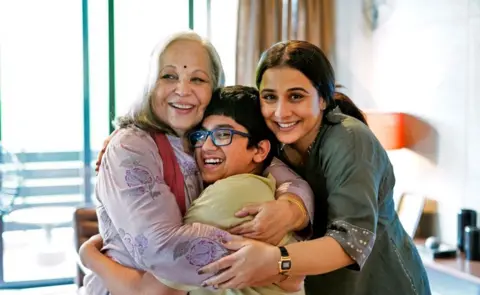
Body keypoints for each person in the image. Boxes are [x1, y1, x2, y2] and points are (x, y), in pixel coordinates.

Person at [80, 32, 315, 295]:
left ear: (213, 90)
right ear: (150, 83)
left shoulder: (199, 140)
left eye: (197, 79)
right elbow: (162, 250)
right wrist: (281, 264)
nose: (182, 90)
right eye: (168, 76)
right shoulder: (132, 146)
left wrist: (292, 209)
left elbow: (284, 175)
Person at [196, 40, 432, 295]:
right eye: (269, 97)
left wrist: (276, 259)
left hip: (382, 284)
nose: (280, 112)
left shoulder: (349, 141)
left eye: (296, 96)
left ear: (322, 99)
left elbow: (352, 241)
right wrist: (291, 205)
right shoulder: (274, 141)